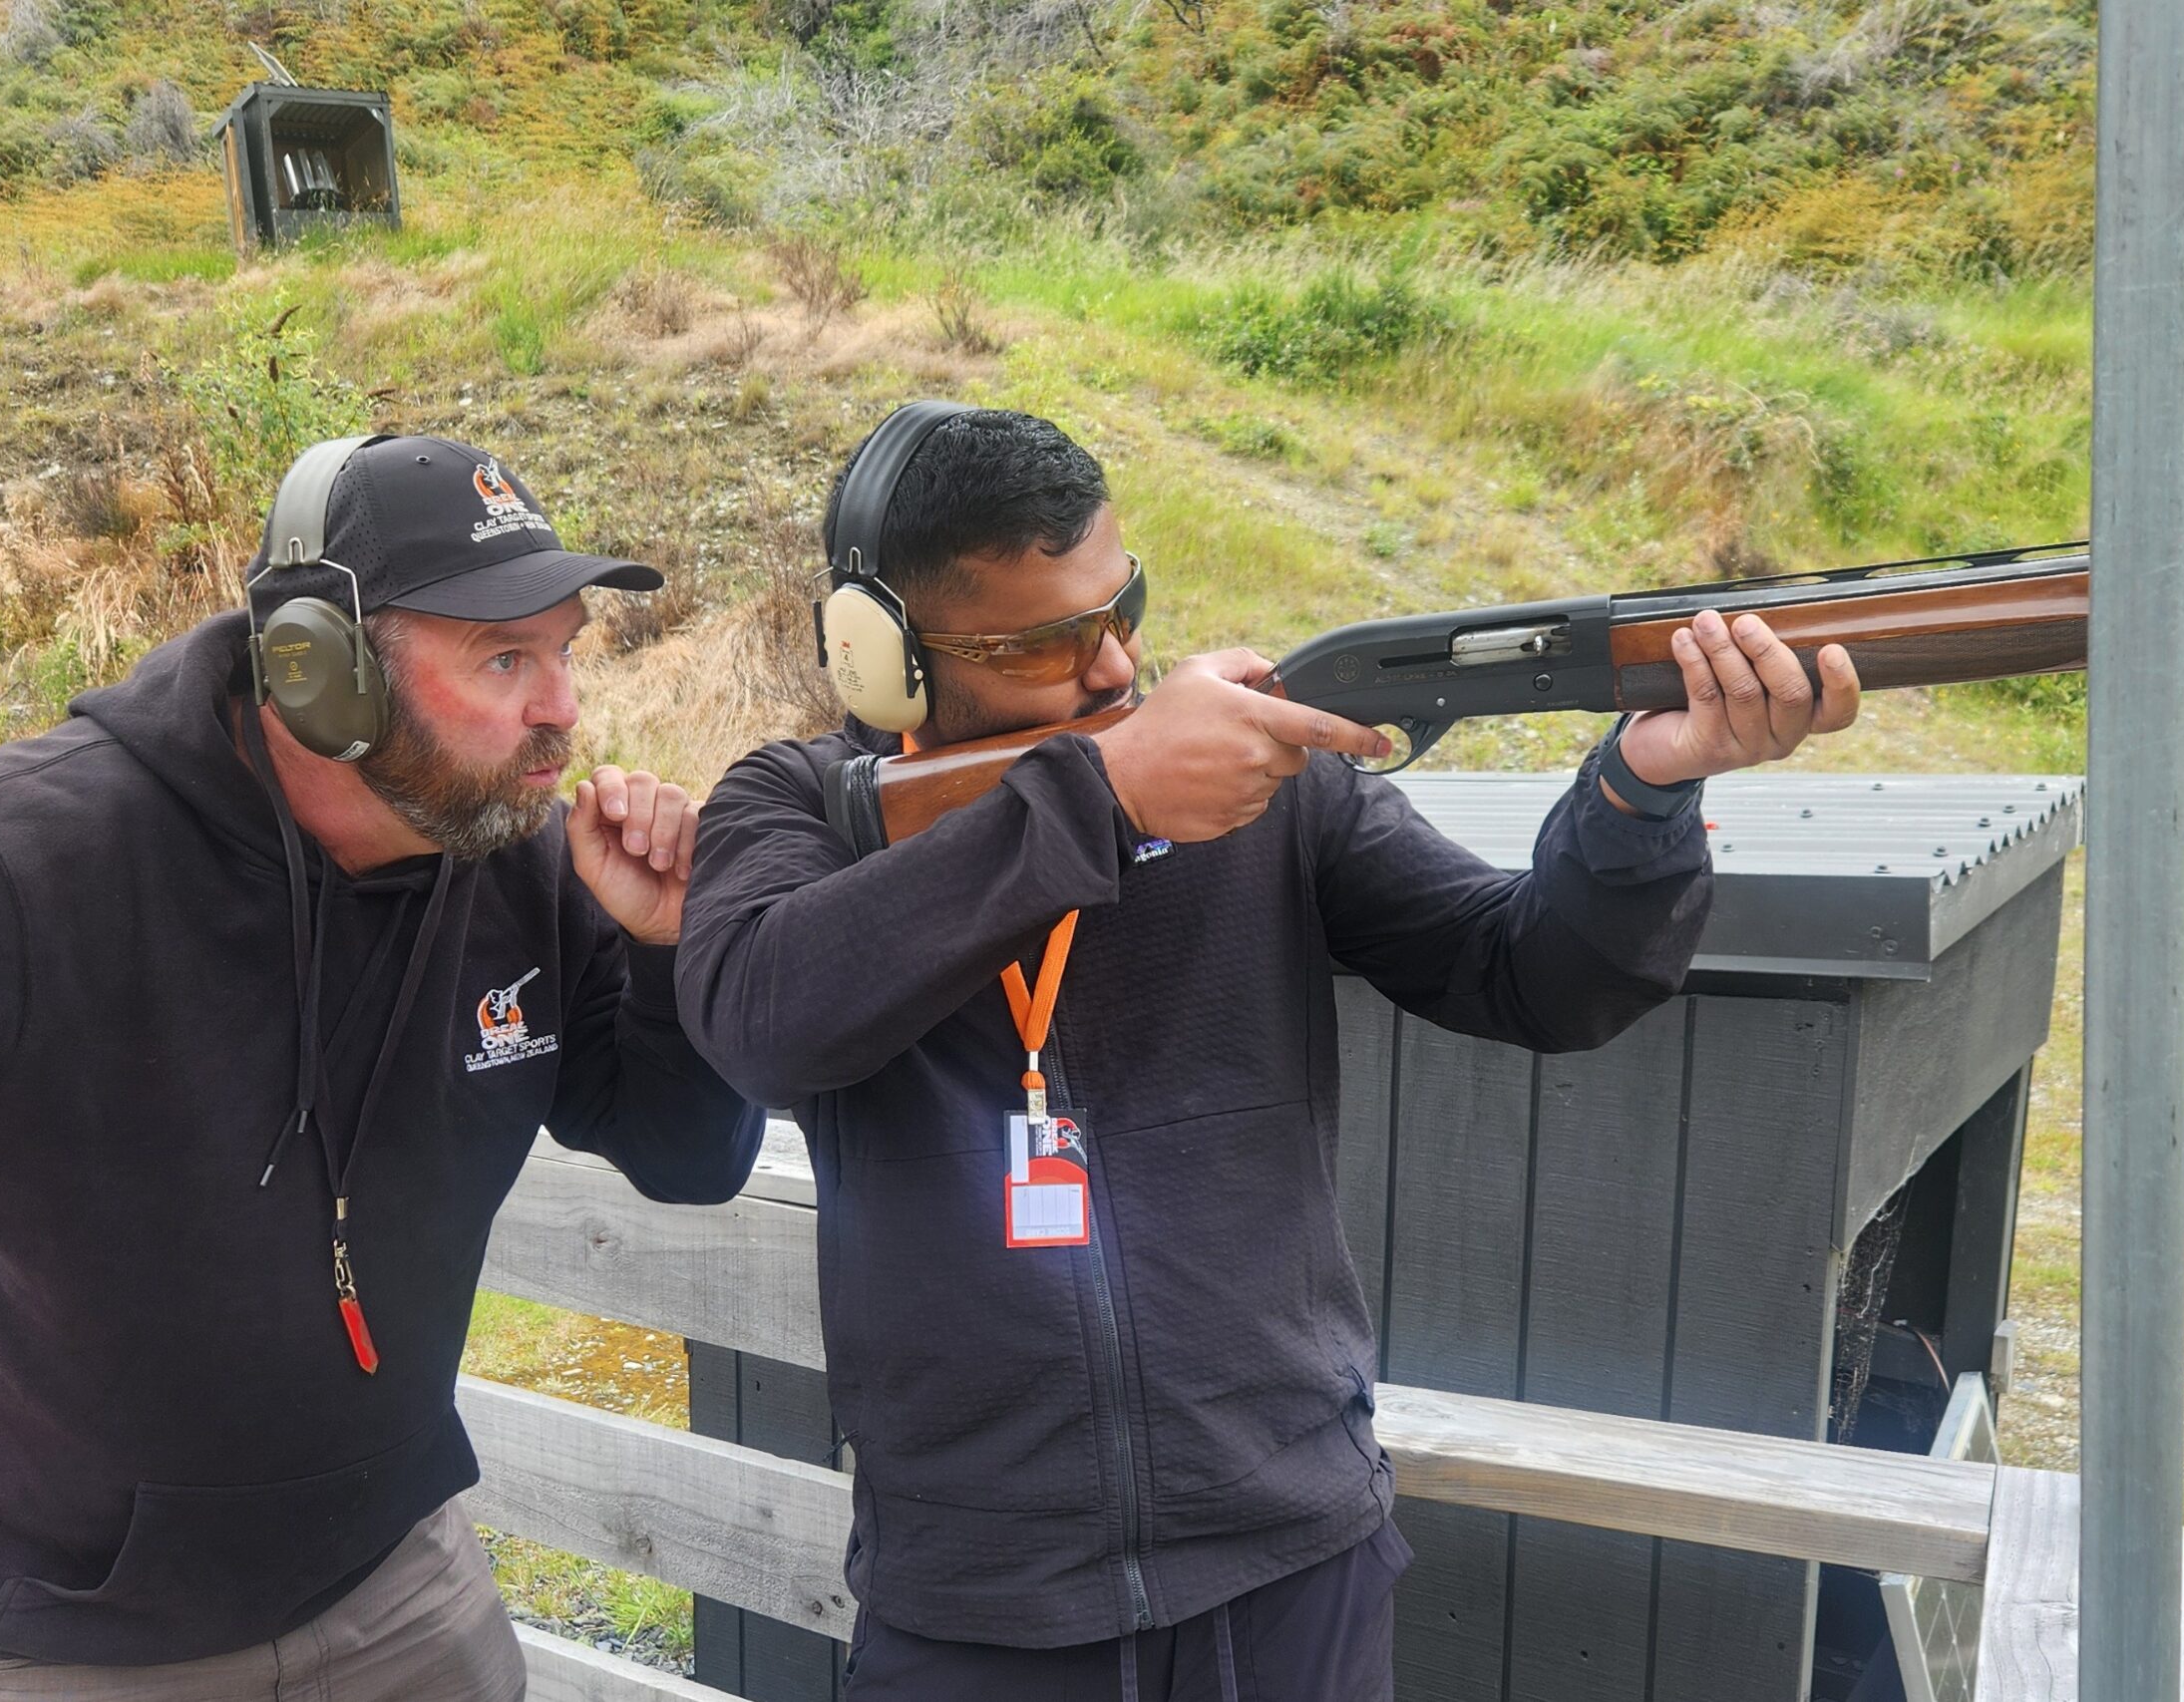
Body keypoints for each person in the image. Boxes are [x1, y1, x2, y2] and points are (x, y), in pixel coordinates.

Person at [675, 406, 1859, 1701]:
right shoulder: (795, 807)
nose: (1114, 669)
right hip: (978, 1602)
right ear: (880, 655)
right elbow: (760, 1015)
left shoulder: (1259, 782)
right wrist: (1101, 799)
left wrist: (1640, 790)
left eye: (1119, 609)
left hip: (1289, 1562)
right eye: (1044, 646)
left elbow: (1531, 973)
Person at [0, 435, 765, 1699]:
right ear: (317, 670)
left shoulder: (522, 864)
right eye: (506, 658)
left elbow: (687, 1156)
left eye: (565, 651)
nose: (561, 707)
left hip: (396, 1582)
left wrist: (668, 949)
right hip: (70, 1642)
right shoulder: (17, 867)